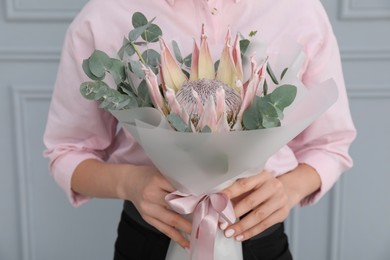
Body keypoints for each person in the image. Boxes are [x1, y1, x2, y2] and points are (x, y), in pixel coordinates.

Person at [43, 0, 356, 259]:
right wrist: (130, 183)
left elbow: (330, 145)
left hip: (258, 237)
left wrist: (288, 189)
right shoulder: (104, 15)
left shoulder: (299, 10)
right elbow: (66, 151)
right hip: (150, 236)